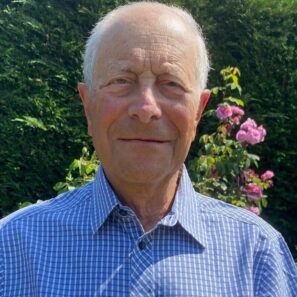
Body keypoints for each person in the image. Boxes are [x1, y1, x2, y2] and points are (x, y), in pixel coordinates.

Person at [1, 2, 296, 296]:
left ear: (198, 111)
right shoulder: (14, 249)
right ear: (88, 105)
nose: (146, 108)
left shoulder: (257, 254)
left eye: (171, 84)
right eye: (121, 81)